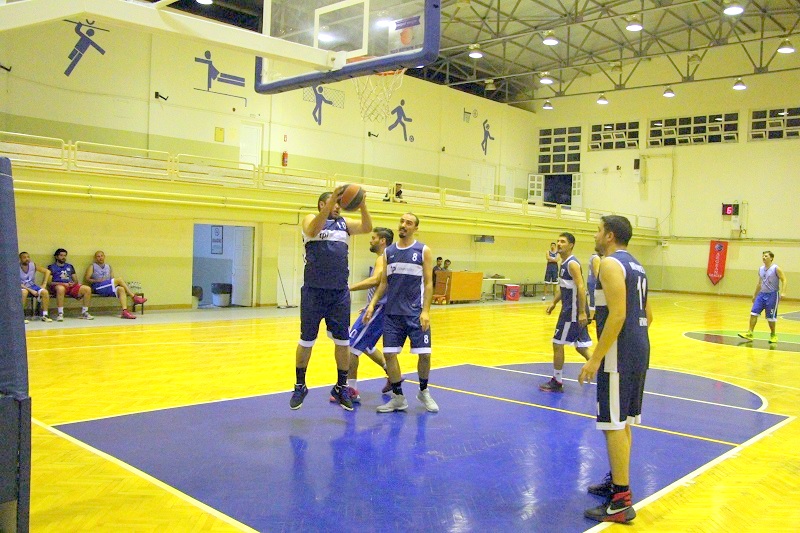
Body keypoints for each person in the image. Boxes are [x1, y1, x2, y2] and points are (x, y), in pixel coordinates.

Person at [578, 215, 652, 524]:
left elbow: (618, 315)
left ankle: (621, 501)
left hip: (619, 352)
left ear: (609, 235)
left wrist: (596, 358)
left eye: (598, 230)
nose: (595, 235)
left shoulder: (610, 263)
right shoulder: (637, 265)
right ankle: (617, 480)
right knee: (622, 422)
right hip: (638, 346)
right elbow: (648, 314)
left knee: (612, 423)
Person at [290, 187, 372, 411]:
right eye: (334, 202)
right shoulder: (311, 219)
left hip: (338, 293)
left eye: (340, 203)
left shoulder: (344, 224)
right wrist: (330, 203)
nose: (338, 207)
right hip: (313, 292)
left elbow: (367, 227)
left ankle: (341, 386)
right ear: (322, 204)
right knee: (306, 340)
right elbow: (312, 229)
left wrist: (362, 205)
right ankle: (300, 385)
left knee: (343, 342)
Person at [366, 212, 438, 413]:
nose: (404, 225)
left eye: (409, 223)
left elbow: (429, 283)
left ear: (415, 228)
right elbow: (383, 283)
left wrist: (426, 311)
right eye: (402, 221)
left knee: (425, 355)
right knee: (389, 354)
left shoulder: (423, 250)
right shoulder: (388, 252)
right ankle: (398, 397)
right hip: (393, 314)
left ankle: (423, 391)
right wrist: (372, 304)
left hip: (416, 313)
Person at [332, 227, 394, 404]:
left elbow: (376, 280)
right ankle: (392, 374)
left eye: (374, 238)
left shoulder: (383, 258)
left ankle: (351, 390)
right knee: (365, 345)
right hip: (379, 308)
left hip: (379, 309)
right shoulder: (389, 257)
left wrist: (349, 288)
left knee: (350, 346)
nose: (371, 240)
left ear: (382, 241)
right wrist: (370, 305)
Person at [539, 232, 591, 393]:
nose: (559, 244)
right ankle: (603, 370)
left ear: (571, 245)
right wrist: (554, 303)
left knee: (557, 343)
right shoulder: (564, 264)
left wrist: (581, 312)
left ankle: (557, 380)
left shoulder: (572, 264)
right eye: (558, 241)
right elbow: (563, 288)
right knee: (581, 347)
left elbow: (581, 287)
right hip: (571, 310)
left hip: (572, 312)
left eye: (563, 241)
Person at [738, 251, 787, 344]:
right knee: (753, 313)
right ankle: (750, 333)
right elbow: (759, 283)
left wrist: (783, 292)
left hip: (772, 295)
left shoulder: (776, 268)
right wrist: (755, 295)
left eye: (766, 256)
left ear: (771, 258)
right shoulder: (761, 269)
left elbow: (784, 279)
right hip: (761, 295)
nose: (764, 257)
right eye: (763, 256)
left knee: (770, 317)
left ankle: (773, 335)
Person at [84, 251, 147, 320]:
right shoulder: (92, 266)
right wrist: (97, 280)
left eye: (101, 256)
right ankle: (134, 297)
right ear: (95, 258)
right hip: (98, 287)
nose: (100, 258)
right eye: (98, 256)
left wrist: (115, 284)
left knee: (121, 289)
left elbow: (112, 279)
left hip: (107, 286)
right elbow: (87, 279)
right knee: (119, 279)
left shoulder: (108, 266)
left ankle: (125, 311)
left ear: (104, 257)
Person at [47, 248, 93, 321]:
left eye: (65, 255)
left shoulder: (70, 266)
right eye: (61, 255)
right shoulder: (51, 267)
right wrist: (62, 283)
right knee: (60, 288)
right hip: (58, 286)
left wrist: (73, 283)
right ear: (56, 257)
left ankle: (85, 312)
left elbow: (76, 280)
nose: (63, 257)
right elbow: (49, 282)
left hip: (70, 286)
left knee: (87, 289)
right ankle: (60, 313)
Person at [19, 252, 53, 323]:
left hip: (32, 285)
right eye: (24, 257)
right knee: (24, 292)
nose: (27, 259)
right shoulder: (15, 267)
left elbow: (47, 271)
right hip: (21, 286)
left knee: (45, 292)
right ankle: (20, 316)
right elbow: (17, 282)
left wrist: (44, 284)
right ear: (20, 259)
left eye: (28, 257)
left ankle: (45, 315)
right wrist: (31, 290)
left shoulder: (33, 265)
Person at [586, 252, 602, 322]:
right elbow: (596, 272)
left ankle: (592, 314)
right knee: (593, 300)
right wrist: (600, 282)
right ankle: (590, 316)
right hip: (594, 282)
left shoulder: (592, 256)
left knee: (593, 299)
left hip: (590, 281)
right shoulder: (596, 258)